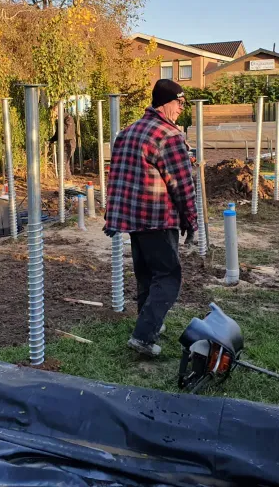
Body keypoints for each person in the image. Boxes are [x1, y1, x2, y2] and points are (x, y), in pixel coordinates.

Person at [104, 79, 198, 357]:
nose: (182, 108)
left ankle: (149, 324)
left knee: (147, 276)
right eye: (180, 103)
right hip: (157, 218)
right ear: (167, 103)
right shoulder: (169, 136)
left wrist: (114, 215)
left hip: (133, 219)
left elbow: (116, 178)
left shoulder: (128, 132)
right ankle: (143, 336)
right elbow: (182, 185)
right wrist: (191, 221)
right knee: (169, 277)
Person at [49, 109, 77, 179]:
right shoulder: (60, 120)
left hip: (69, 143)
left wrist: (60, 121)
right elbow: (57, 134)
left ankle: (65, 179)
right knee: (65, 162)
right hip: (63, 143)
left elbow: (66, 130)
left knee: (63, 161)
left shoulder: (68, 118)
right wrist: (51, 140)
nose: (54, 113)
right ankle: (67, 179)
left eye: (55, 111)